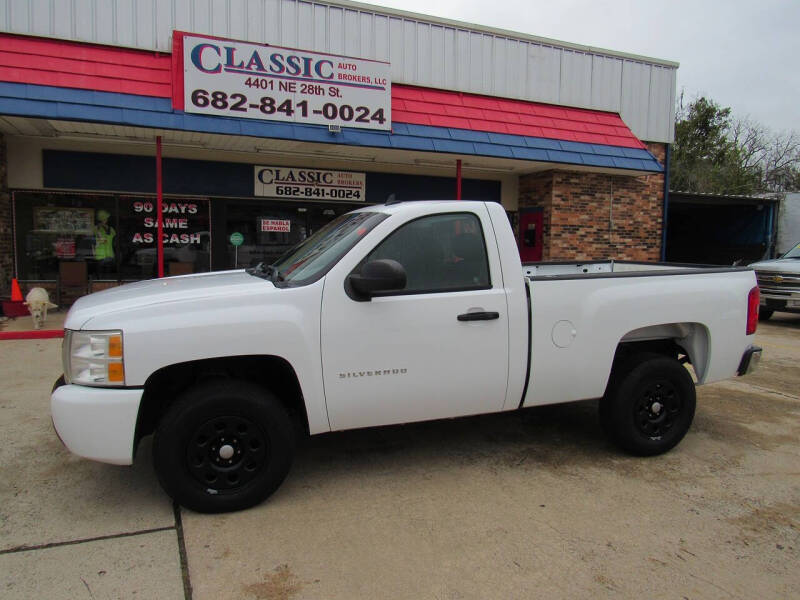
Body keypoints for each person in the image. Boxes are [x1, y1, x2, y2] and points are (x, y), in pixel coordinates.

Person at [93, 209, 116, 277]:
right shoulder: (96, 228)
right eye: (105, 219)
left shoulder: (110, 229)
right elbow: (94, 239)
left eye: (106, 219)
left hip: (109, 254)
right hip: (100, 253)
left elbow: (113, 237)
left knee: (108, 273)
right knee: (100, 272)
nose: (106, 220)